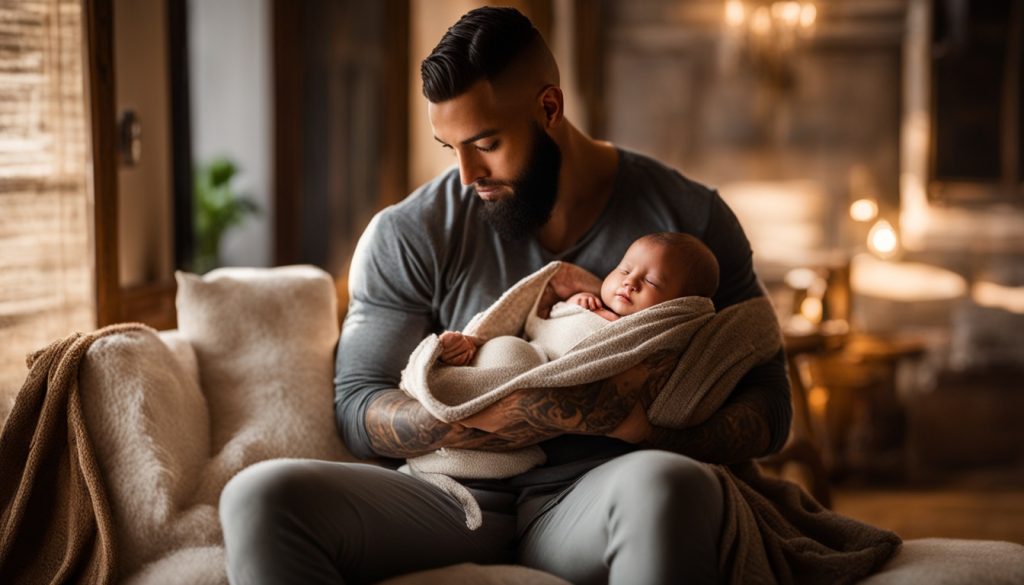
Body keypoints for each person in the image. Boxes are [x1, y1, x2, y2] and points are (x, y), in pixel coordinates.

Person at [219, 7, 791, 585]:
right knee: (261, 496)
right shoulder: (408, 232)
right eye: (450, 148)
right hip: (454, 499)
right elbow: (358, 404)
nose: (468, 176)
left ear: (549, 108)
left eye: (486, 143)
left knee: (672, 484)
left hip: (600, 495)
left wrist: (643, 428)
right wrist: (473, 417)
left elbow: (771, 409)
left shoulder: (691, 219)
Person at [438, 231, 721, 366]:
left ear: (677, 307)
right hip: (537, 350)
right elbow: (546, 318)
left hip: (543, 370)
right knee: (506, 348)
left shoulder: (654, 338)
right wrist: (575, 303)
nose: (629, 282)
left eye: (651, 281)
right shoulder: (589, 301)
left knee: (512, 356)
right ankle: (469, 351)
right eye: (624, 269)